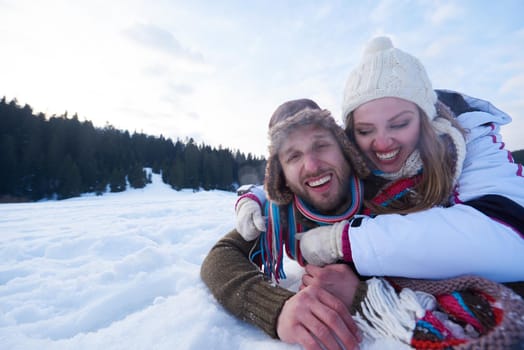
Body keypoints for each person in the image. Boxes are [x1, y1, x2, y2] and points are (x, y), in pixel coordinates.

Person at [201, 99, 524, 349]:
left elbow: (476, 257)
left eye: (321, 145)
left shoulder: (392, 191)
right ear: (281, 172)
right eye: (293, 156)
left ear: (345, 150)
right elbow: (223, 255)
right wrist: (276, 308)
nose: (312, 165)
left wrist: (364, 294)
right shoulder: (280, 213)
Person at [237, 36, 524, 283]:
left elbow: (508, 238)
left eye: (399, 124)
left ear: (427, 118)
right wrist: (260, 196)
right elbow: (308, 173)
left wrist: (345, 242)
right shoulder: (355, 158)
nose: (383, 143)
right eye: (365, 130)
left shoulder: (472, 140)